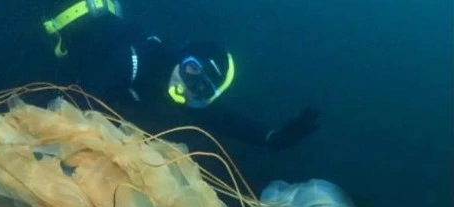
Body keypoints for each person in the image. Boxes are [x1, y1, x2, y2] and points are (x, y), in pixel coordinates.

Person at [42, 0, 319, 150]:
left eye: (200, 88)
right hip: (46, 39)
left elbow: (221, 119)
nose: (188, 86)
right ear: (183, 55)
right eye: (192, 70)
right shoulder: (139, 59)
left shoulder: (176, 91)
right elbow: (83, 99)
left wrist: (271, 137)